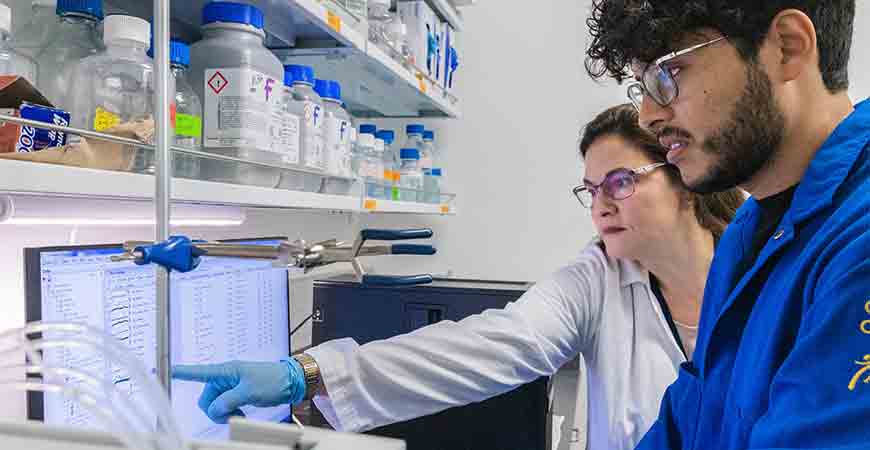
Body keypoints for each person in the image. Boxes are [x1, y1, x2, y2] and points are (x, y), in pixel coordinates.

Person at [172, 104, 743, 450]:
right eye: (591, 190)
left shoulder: (759, 278)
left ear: (684, 178)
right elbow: (494, 344)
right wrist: (307, 372)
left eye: (620, 181)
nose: (600, 206)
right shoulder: (599, 277)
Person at [583, 1, 869, 449]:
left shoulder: (859, 242)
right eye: (643, 87)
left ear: (787, 48)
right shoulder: (745, 234)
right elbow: (691, 419)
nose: (648, 116)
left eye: (669, 73)